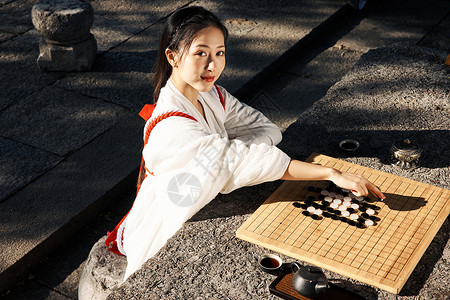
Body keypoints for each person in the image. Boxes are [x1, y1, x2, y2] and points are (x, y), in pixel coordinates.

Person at [108, 6, 385, 280]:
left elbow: (265, 129)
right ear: (173, 56)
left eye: (219, 53)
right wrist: (331, 173)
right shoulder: (173, 126)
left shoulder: (211, 94)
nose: (212, 65)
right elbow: (245, 157)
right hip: (168, 211)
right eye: (201, 53)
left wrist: (230, 155)